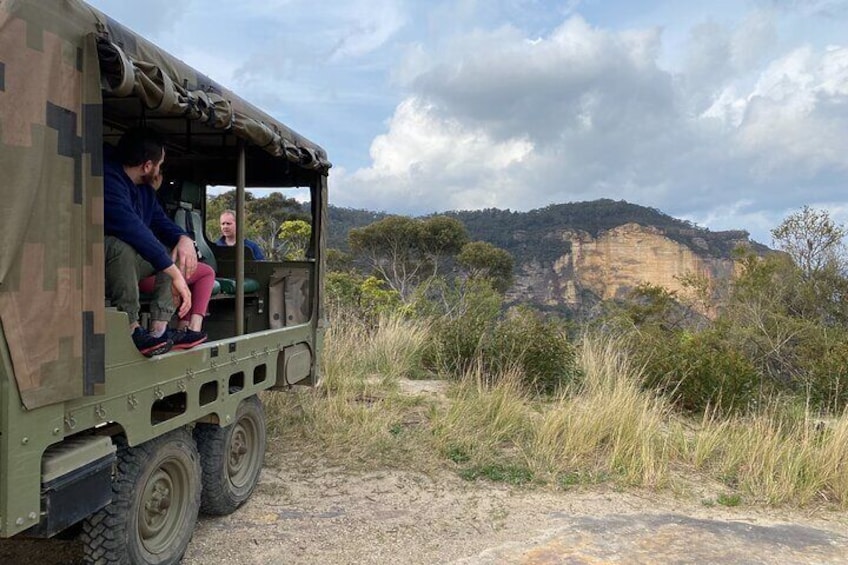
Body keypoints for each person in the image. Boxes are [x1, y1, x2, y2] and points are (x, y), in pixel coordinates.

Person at [104, 127, 213, 356]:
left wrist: (183, 238)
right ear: (147, 166)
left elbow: (161, 222)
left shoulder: (144, 191)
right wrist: (175, 275)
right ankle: (131, 328)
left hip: (130, 265)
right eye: (159, 164)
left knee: (171, 254)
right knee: (122, 246)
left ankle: (158, 331)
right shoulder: (108, 180)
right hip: (100, 263)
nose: (160, 170)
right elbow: (132, 229)